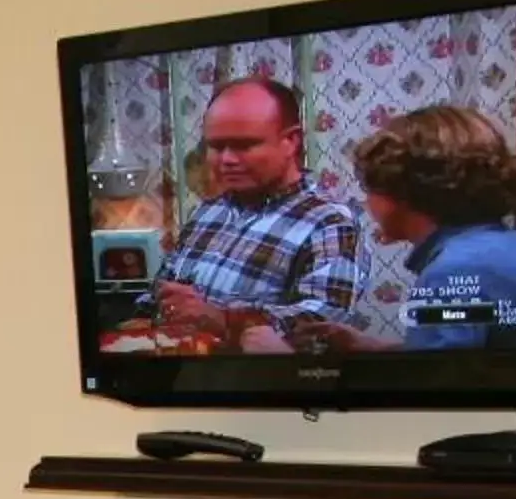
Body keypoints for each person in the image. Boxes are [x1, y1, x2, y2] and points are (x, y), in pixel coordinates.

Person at [315, 104, 516, 351]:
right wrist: (373, 349)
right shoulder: (499, 247)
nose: (366, 202)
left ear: (401, 191)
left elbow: (430, 392)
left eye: (369, 188)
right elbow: (453, 366)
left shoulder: (455, 271)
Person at [153, 76, 366, 351]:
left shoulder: (329, 222)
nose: (226, 159)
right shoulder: (207, 212)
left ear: (291, 141)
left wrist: (225, 321)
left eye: (244, 145)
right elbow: (160, 291)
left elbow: (321, 323)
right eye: (215, 147)